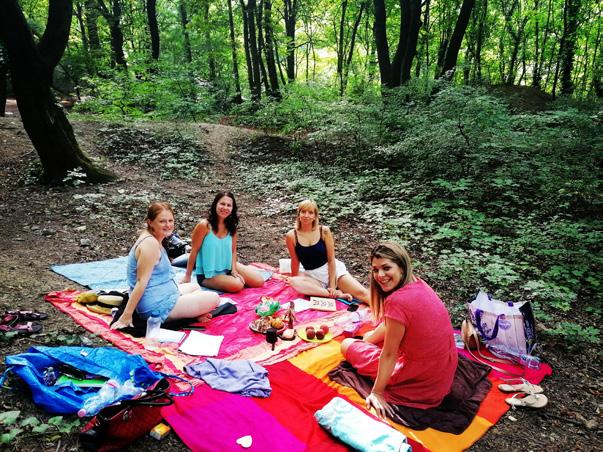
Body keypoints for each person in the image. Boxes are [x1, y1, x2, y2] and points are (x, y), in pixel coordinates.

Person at [340, 242, 458, 419]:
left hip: (420, 381)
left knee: (347, 344)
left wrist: (377, 392)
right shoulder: (418, 283)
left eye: (386, 268)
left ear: (402, 267)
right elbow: (391, 325)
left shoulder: (396, 301)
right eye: (375, 270)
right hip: (442, 374)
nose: (380, 275)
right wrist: (367, 340)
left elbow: (389, 354)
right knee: (370, 336)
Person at [111, 202, 220, 330]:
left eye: (170, 221)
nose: (168, 225)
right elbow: (141, 282)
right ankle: (190, 313)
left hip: (165, 293)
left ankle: (192, 311)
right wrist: (126, 315)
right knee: (214, 298)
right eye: (162, 221)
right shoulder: (149, 244)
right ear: (150, 222)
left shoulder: (154, 237)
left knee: (195, 286)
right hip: (156, 306)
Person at [284, 199, 369, 302]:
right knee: (294, 281)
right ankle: (336, 295)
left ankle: (383, 308)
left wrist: (332, 286)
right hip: (312, 276)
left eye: (310, 212)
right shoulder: (291, 236)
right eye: (303, 212)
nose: (306, 215)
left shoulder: (324, 231)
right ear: (299, 214)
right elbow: (295, 261)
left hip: (331, 271)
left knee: (362, 293)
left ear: (315, 216)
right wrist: (294, 282)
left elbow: (331, 259)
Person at [182, 191, 264, 292]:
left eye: (229, 205)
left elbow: (233, 251)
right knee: (238, 285)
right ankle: (227, 280)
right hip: (208, 275)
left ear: (232, 209)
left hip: (227, 266)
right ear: (215, 204)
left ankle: (230, 276)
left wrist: (234, 269)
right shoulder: (204, 226)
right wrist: (187, 276)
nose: (225, 208)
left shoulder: (231, 227)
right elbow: (194, 251)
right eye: (222, 204)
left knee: (259, 281)